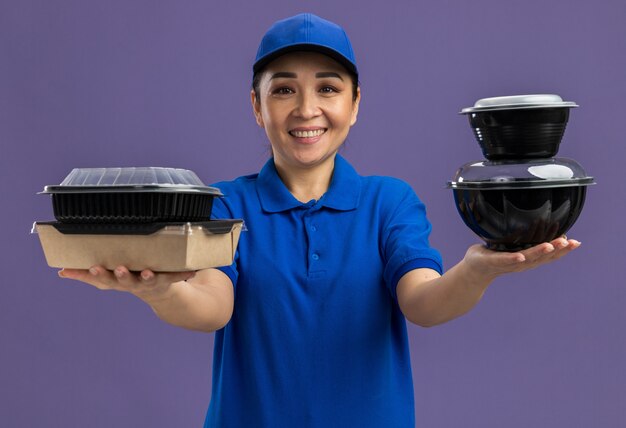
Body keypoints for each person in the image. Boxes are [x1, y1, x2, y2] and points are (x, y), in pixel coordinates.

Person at [59, 13, 581, 428]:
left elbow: (422, 302)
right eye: (283, 89)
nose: (307, 109)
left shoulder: (388, 202)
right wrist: (158, 290)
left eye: (328, 88)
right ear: (257, 107)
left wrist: (478, 270)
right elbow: (213, 305)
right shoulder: (225, 204)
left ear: (355, 104)